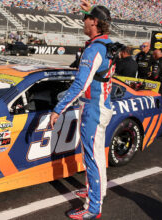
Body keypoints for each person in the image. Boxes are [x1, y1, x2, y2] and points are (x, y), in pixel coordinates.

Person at [50, 1, 114, 219]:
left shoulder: (95, 49)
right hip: (100, 107)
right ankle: (98, 191)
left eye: (85, 18)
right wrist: (91, 6)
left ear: (94, 22)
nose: (83, 22)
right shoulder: (105, 43)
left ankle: (93, 207)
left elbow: (79, 85)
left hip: (93, 110)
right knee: (96, 155)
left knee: (92, 158)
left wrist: (58, 109)